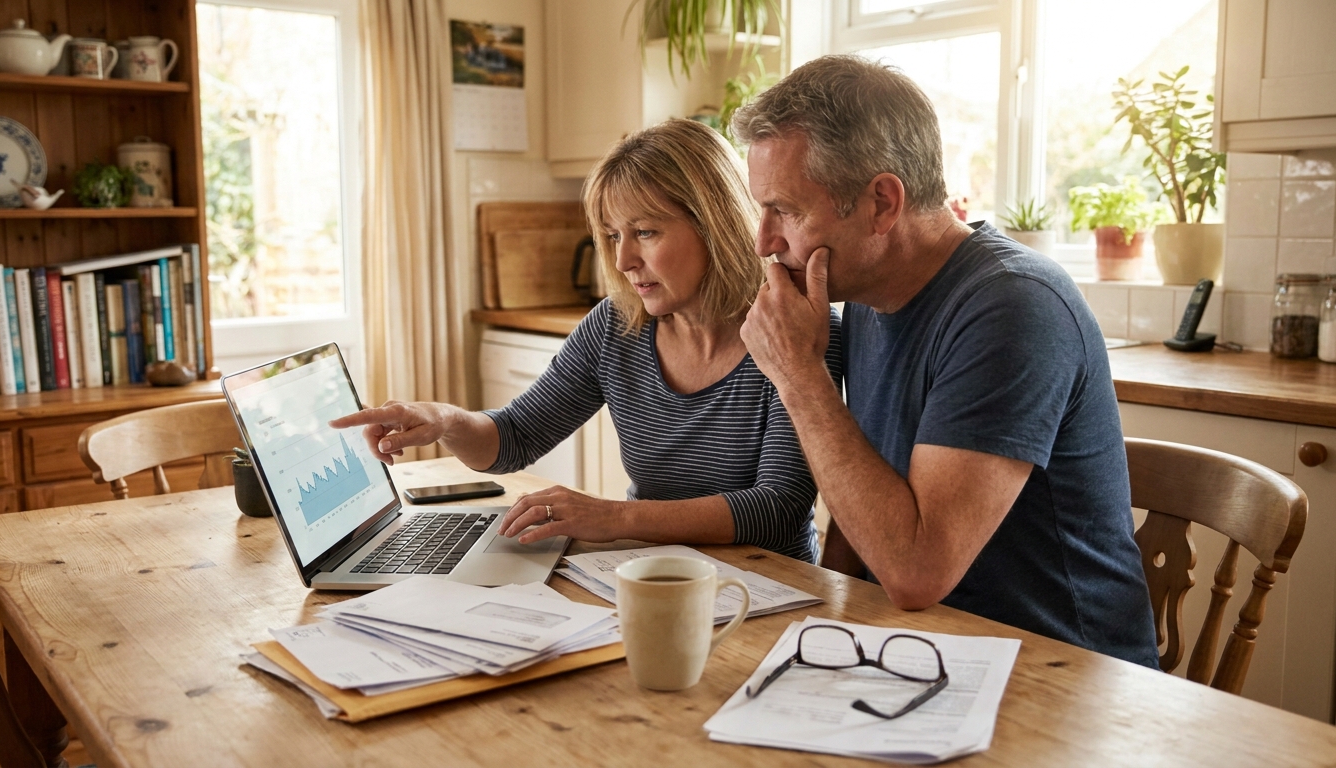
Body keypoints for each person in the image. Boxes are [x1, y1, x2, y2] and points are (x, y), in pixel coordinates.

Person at [731, 55, 1160, 667]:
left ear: (882, 202)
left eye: (788, 211)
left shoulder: (1013, 306)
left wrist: (801, 376)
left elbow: (914, 571)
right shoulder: (867, 298)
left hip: (1062, 677)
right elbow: (865, 502)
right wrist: (820, 628)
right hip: (926, 648)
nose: (765, 242)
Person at [331, 119, 841, 563]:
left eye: (644, 232)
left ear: (715, 224)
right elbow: (514, 438)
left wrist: (615, 517)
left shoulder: (795, 329)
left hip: (772, 589)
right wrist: (446, 420)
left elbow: (777, 508)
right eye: (613, 235)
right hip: (653, 577)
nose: (623, 261)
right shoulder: (615, 329)